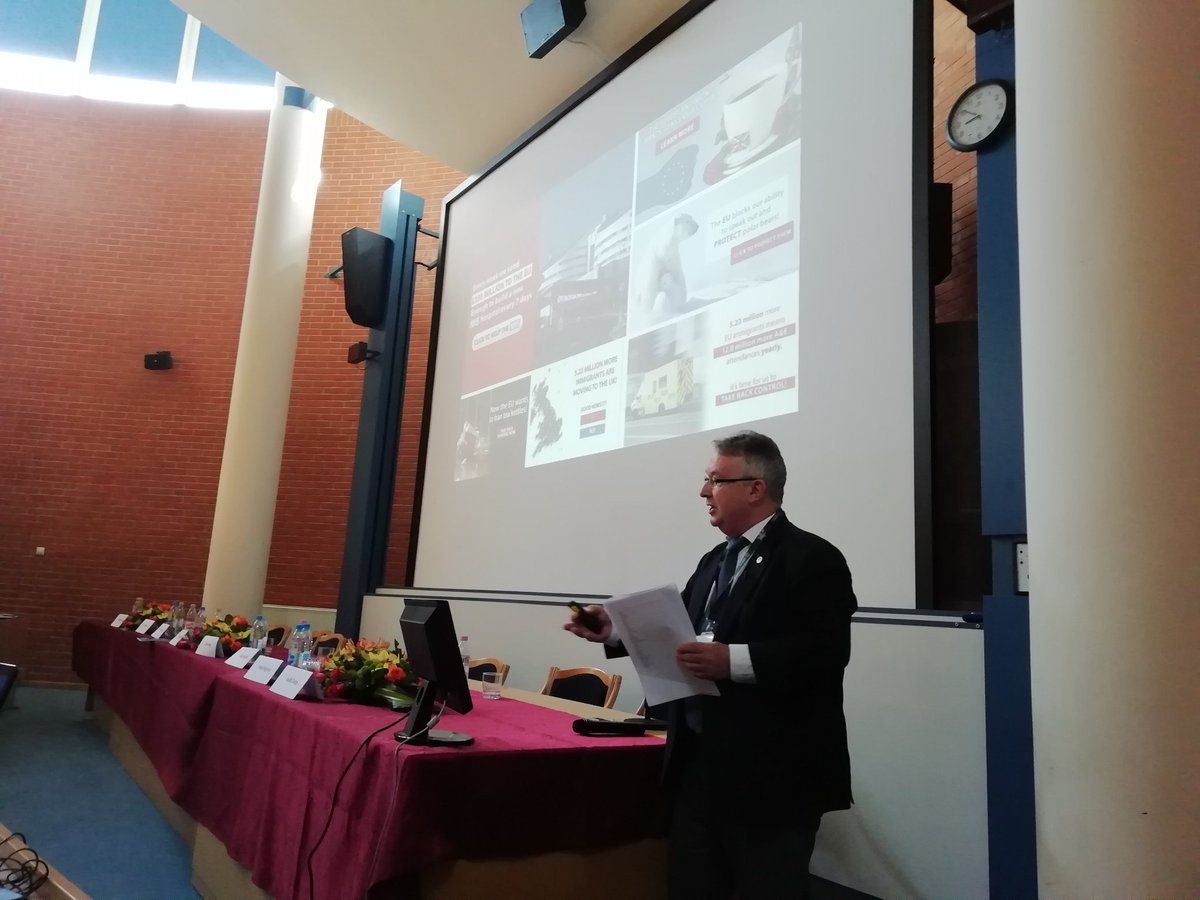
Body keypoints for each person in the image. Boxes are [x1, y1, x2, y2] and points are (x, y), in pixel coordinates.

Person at [565, 430, 856, 899]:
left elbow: (825, 651)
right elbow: (680, 637)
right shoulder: (714, 560)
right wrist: (613, 631)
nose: (704, 491)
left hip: (772, 780)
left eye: (716, 480)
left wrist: (732, 661)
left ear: (755, 488)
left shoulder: (812, 558)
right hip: (699, 768)